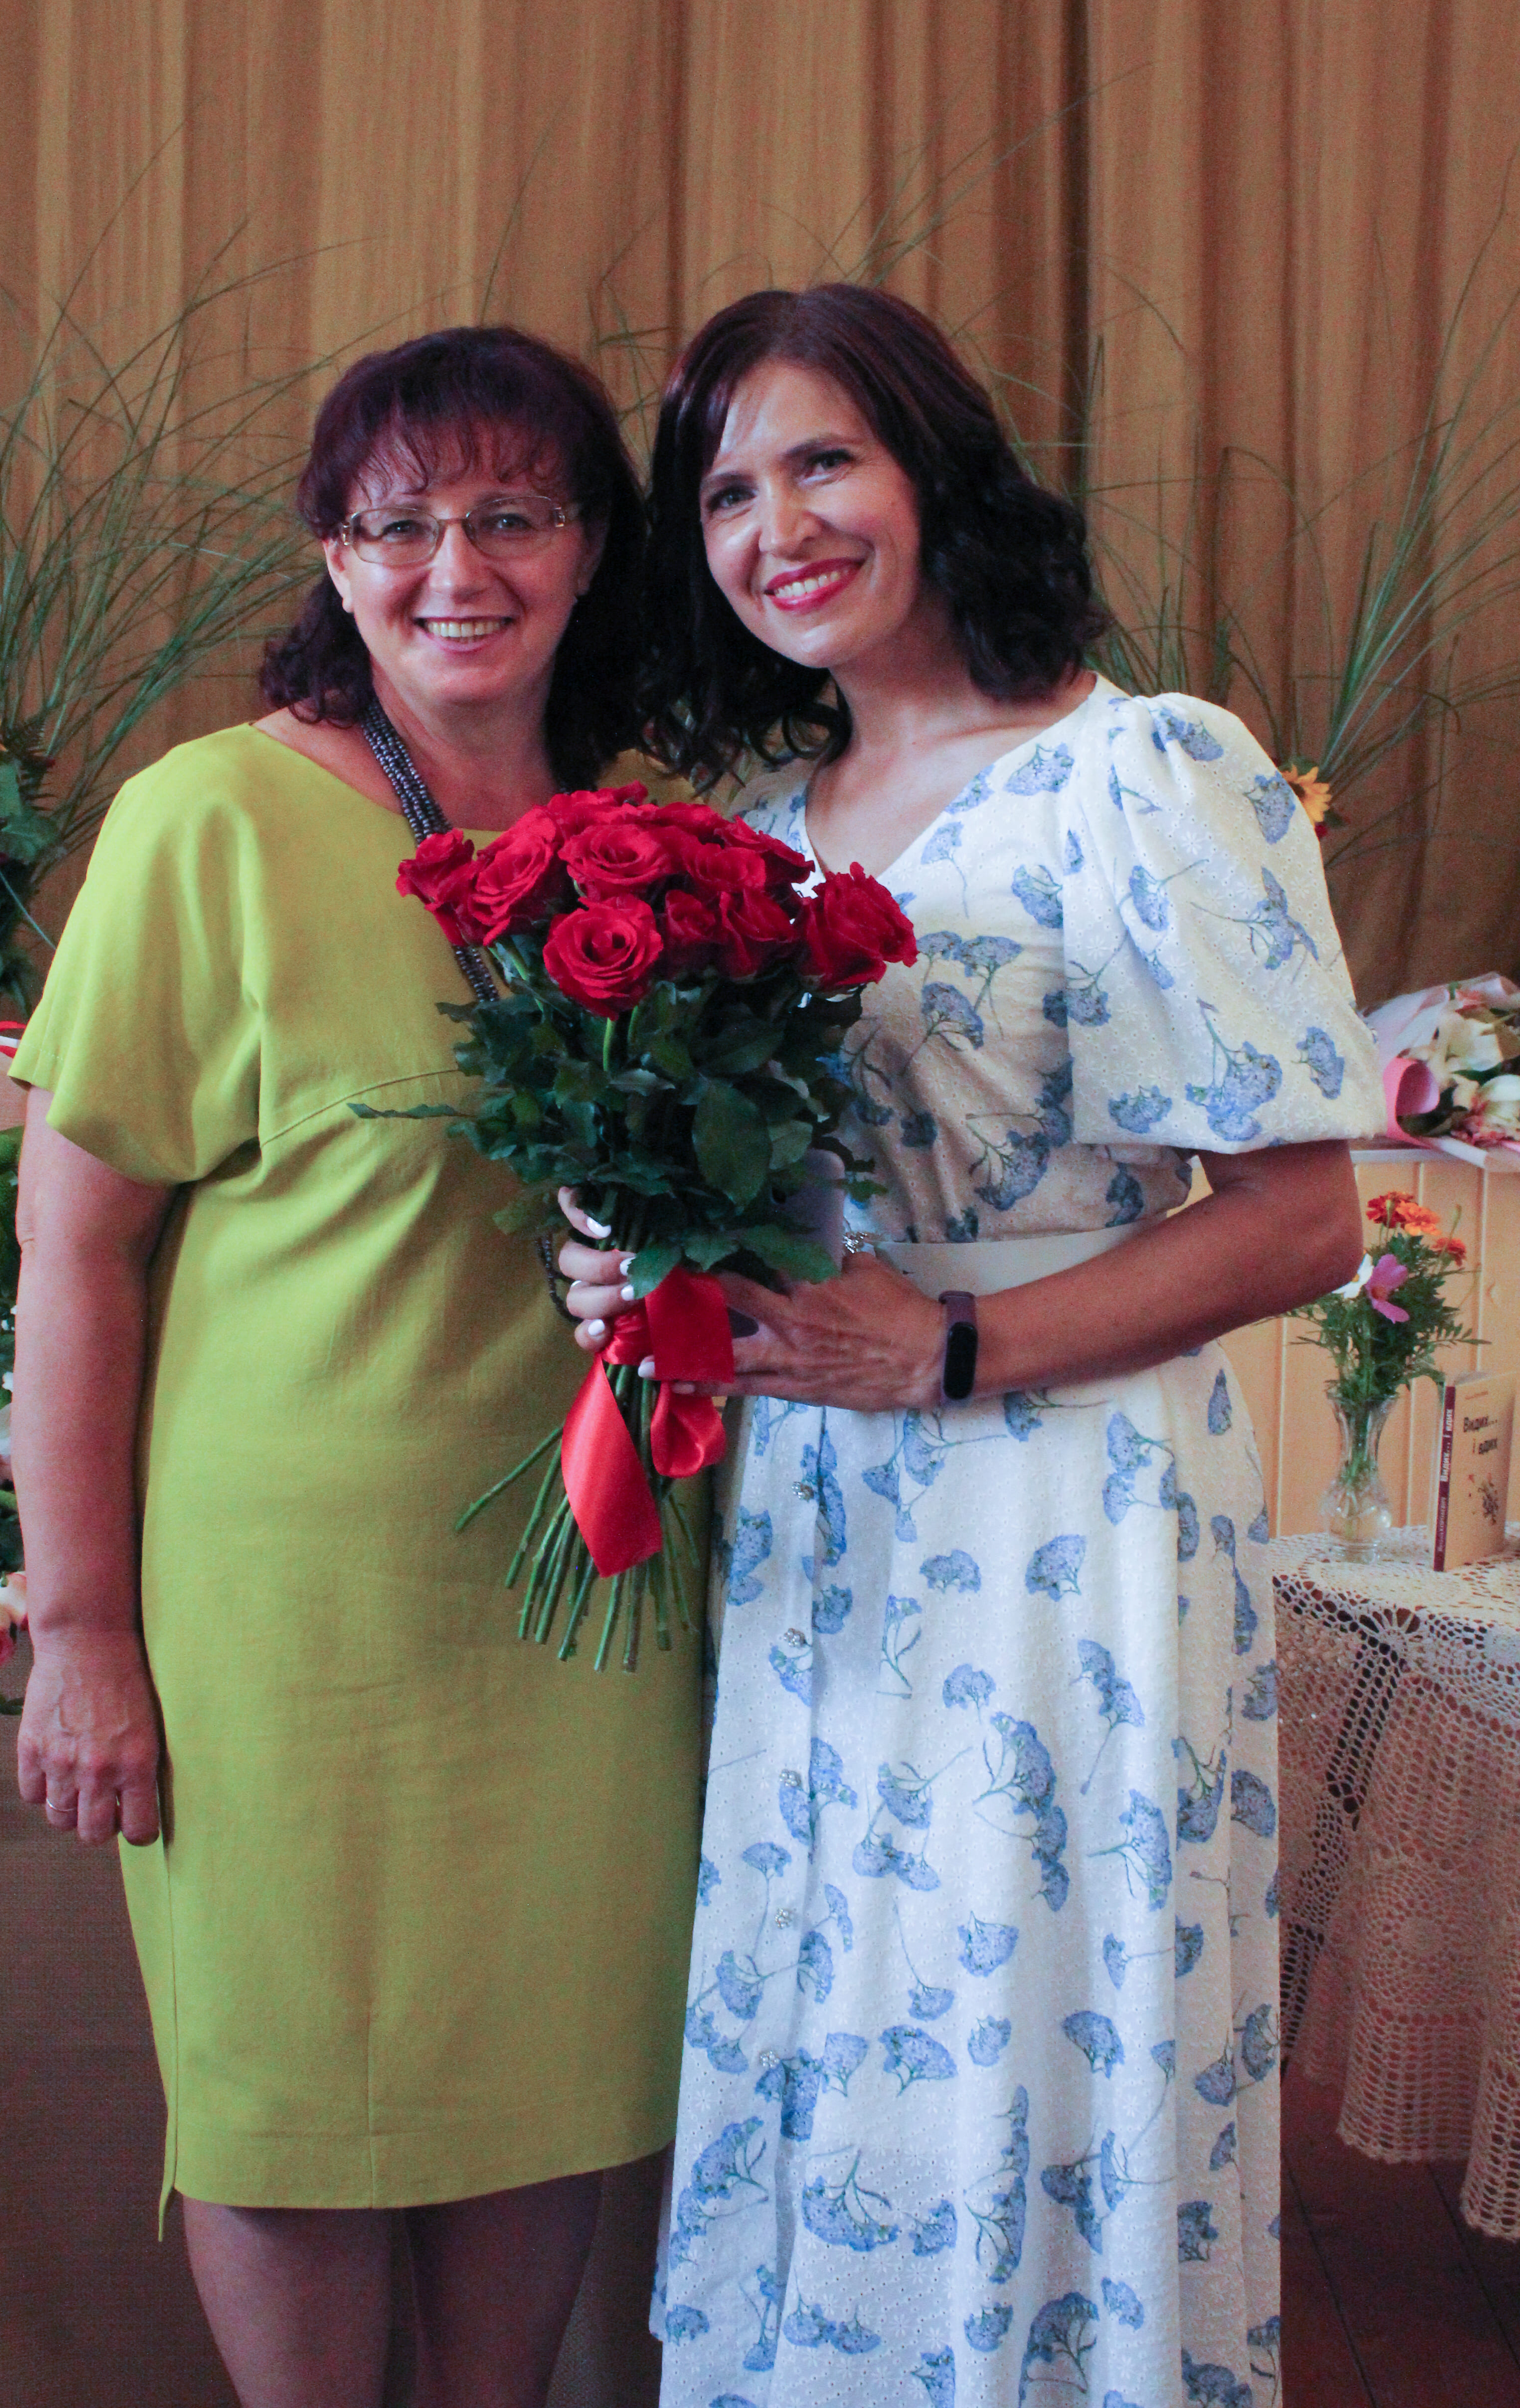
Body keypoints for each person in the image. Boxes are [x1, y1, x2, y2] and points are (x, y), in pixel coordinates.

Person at [561, 283, 1385, 2408]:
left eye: (824, 461)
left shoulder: (1144, 769)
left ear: (937, 467)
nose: (777, 529)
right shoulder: (752, 819)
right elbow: (775, 1194)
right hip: (822, 1514)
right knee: (848, 2006)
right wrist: (647, 1261)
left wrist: (947, 1351)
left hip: (1065, 1508)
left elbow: (1303, 1219)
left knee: (1028, 2011)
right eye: (725, 493)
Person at [8, 327, 703, 2408]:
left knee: (540, 2082)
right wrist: (81, 1631)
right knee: (288, 2096)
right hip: (286, 1619)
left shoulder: (664, 838)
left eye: (512, 515)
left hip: (591, 1602)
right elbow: (76, 1251)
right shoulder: (208, 819)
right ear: (332, 553)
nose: (454, 569)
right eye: (396, 524)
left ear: (594, 545)